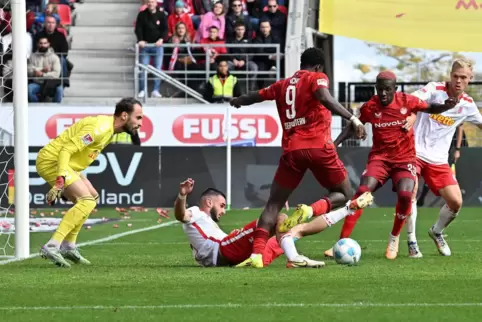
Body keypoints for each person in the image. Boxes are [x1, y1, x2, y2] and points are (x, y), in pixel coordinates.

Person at [229, 47, 367, 268]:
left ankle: (256, 255)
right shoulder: (317, 78)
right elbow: (323, 96)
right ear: (319, 67)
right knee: (346, 194)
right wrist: (353, 118)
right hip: (319, 147)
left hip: (292, 150)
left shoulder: (281, 85)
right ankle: (310, 210)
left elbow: (256, 96)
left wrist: (238, 100)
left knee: (273, 204)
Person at [323, 71, 459, 260]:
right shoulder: (370, 106)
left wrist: (445, 106)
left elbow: (430, 108)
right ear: (376, 89)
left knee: (405, 195)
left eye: (388, 89)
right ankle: (341, 242)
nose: (383, 93)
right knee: (362, 191)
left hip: (404, 160)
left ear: (395, 89)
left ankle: (394, 238)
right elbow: (353, 126)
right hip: (380, 159)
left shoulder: (407, 101)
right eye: (380, 89)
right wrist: (335, 144)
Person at [37, 98, 144, 268]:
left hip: (70, 165)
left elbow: (80, 153)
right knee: (85, 200)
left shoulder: (109, 131)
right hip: (53, 161)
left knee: (92, 197)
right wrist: (60, 181)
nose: (141, 123)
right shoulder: (100, 128)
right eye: (138, 117)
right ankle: (53, 245)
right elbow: (66, 150)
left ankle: (68, 246)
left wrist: (78, 175)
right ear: (124, 115)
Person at [401, 59, 482, 258]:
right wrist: (412, 114)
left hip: (438, 160)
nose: (458, 81)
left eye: (463, 77)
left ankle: (436, 231)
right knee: (410, 193)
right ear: (450, 75)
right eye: (455, 76)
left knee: (456, 202)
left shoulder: (468, 105)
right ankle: (412, 241)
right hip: (414, 152)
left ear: (470, 79)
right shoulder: (434, 89)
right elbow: (409, 100)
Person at [174, 178, 325, 268]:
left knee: (286, 227)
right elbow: (181, 215)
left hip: (227, 253)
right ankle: (292, 257)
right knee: (273, 217)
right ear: (208, 202)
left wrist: (234, 235)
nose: (224, 211)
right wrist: (182, 195)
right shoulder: (197, 212)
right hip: (222, 250)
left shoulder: (208, 223)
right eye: (221, 205)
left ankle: (344, 209)